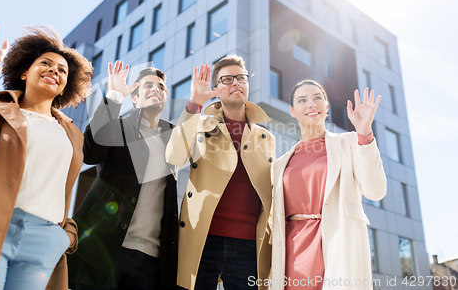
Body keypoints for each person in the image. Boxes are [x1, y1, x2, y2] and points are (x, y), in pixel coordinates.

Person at [0, 18, 92, 290]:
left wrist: (66, 236)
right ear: (24, 72)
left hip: (45, 239)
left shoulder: (72, 133)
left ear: (65, 86)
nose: (54, 70)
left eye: (62, 70)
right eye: (45, 63)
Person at [166, 55, 276, 290]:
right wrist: (195, 102)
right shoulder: (199, 124)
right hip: (203, 240)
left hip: (249, 246)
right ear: (216, 89)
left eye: (241, 78)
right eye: (227, 79)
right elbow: (174, 158)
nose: (236, 82)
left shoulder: (266, 138)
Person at [67, 61, 178, 290]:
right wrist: (115, 95)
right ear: (135, 98)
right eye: (148, 85)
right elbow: (90, 152)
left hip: (150, 260)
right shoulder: (117, 128)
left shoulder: (173, 140)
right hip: (104, 249)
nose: (156, 89)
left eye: (161, 87)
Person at [271, 80, 387, 290]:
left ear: (326, 107)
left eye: (317, 98)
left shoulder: (351, 143)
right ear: (292, 111)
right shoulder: (280, 164)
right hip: (292, 253)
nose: (311, 104)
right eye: (302, 100)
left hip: (338, 246)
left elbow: (376, 191)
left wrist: (364, 132)